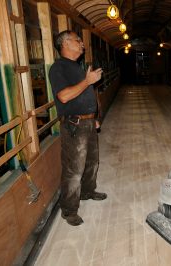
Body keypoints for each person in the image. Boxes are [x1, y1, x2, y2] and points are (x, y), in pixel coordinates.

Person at [49, 30, 107, 226]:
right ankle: (69, 210)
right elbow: (64, 96)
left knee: (92, 162)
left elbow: (85, 95)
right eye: (78, 40)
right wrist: (87, 81)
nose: (82, 44)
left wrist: (94, 117)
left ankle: (88, 191)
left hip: (88, 122)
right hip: (74, 125)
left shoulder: (77, 67)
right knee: (74, 170)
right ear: (65, 43)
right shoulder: (58, 68)